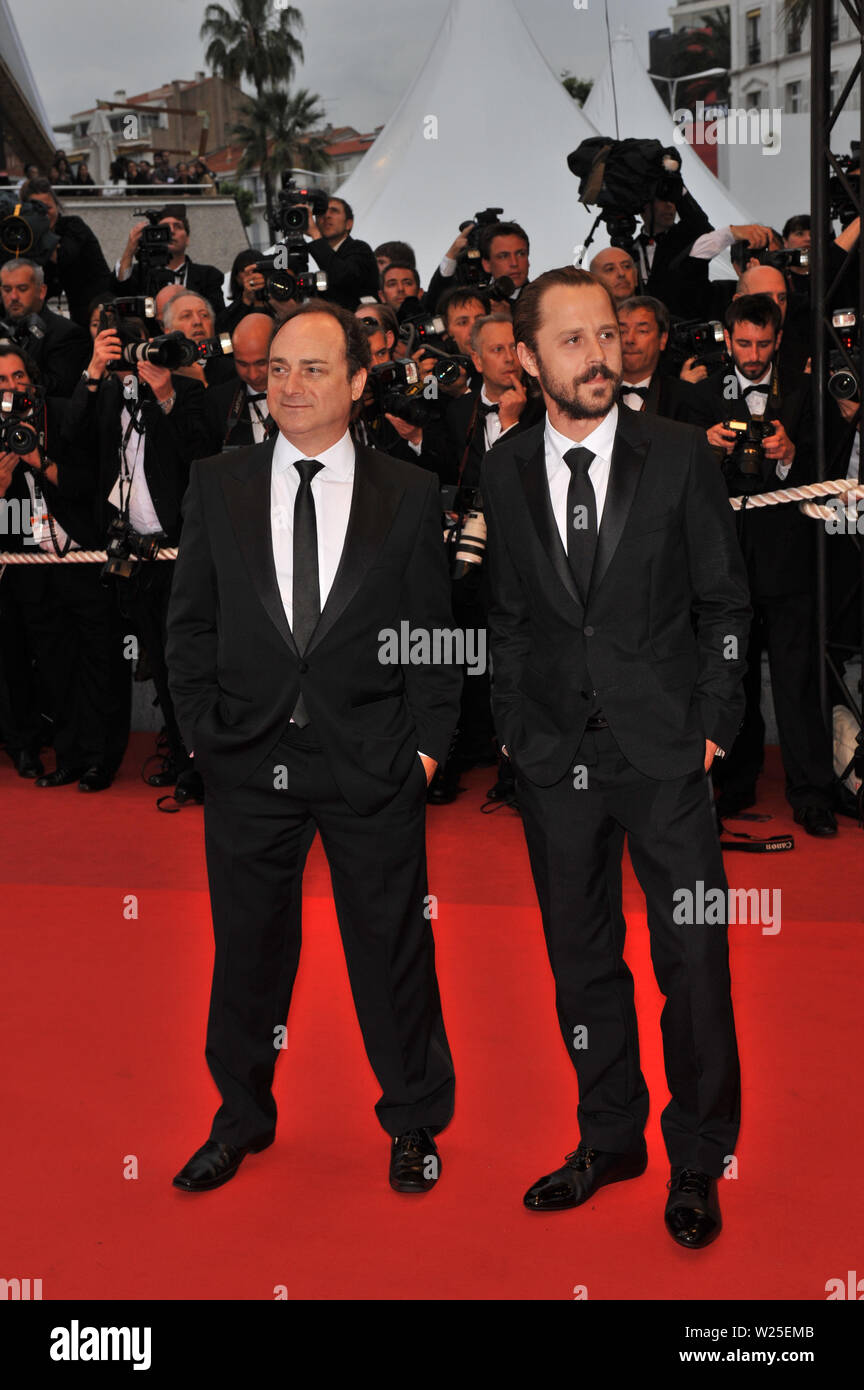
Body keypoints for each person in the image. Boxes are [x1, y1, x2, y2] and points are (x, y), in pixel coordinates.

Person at [482, 265, 751, 1248]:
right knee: (583, 958)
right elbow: (507, 614)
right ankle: (610, 1135)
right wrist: (512, 721)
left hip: (667, 753)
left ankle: (696, 1155)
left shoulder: (679, 454)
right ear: (526, 358)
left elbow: (725, 601)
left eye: (608, 334)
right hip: (555, 756)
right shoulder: (504, 469)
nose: (599, 353)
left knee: (696, 958)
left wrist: (715, 723)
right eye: (573, 339)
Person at [166, 300, 460, 1195]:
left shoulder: (407, 494)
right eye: (279, 368)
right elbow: (188, 628)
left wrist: (426, 755)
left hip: (370, 761)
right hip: (249, 763)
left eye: (314, 369)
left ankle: (413, 1120)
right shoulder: (217, 481)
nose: (289, 385)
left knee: (392, 950)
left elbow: (434, 638)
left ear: (360, 384)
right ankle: (241, 1118)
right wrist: (206, 741)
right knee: (247, 950)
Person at [677, 294, 837, 835]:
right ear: (727, 337)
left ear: (777, 340)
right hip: (724, 564)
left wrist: (789, 452)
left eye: (763, 344)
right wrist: (705, 446)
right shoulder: (699, 395)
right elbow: (675, 479)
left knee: (797, 682)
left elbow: (828, 466)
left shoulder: (802, 390)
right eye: (743, 343)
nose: (752, 353)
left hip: (789, 558)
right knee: (731, 681)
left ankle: (812, 793)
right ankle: (733, 786)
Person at [20, 177, 113, 327]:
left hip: (100, 307)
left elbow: (63, 257)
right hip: (77, 311)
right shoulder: (32, 240)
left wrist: (38, 231)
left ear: (57, 206)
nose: (44, 214)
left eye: (48, 208)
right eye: (37, 209)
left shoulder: (74, 226)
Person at [0, 257, 90, 397]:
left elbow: (61, 389)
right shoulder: (3, 330)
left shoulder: (67, 334)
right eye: (7, 289)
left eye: (22, 289)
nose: (13, 296)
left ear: (41, 291)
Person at [113, 203, 225, 312]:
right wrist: (130, 249)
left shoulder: (208, 276)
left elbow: (216, 315)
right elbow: (120, 291)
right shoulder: (140, 272)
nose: (171, 231)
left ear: (187, 239)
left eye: (178, 226)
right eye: (164, 228)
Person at [201, 311, 277, 453]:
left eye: (261, 363)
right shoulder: (218, 401)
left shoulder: (300, 393)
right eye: (243, 364)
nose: (253, 375)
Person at [616, 295, 692, 418]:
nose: (629, 339)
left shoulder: (685, 398)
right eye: (622, 331)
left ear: (663, 339)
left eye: (642, 331)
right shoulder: (595, 392)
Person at [302, 196, 379, 310]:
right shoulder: (321, 253)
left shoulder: (360, 249)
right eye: (322, 212)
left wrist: (315, 235)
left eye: (334, 211)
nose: (327, 216)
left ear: (348, 224)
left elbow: (342, 275)